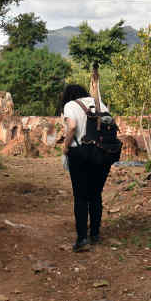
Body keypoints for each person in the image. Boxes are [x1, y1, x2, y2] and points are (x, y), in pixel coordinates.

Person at [58, 84, 112, 252]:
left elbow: (72, 127)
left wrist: (65, 147)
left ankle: (82, 239)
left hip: (80, 153)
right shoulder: (98, 103)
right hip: (102, 154)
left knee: (81, 197)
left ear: (68, 95)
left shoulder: (70, 105)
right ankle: (95, 234)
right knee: (95, 195)